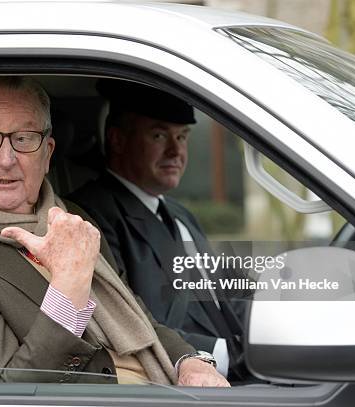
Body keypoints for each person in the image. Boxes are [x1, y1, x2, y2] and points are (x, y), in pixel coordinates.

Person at [0, 76, 229, 387]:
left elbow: (139, 317)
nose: (6, 158)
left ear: (47, 153)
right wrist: (69, 288)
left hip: (162, 387)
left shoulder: (73, 218)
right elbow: (5, 395)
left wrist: (190, 360)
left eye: (24, 138)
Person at [69, 79, 247, 380]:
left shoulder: (180, 215)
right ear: (117, 140)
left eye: (182, 136)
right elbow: (127, 321)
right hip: (186, 379)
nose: (176, 150)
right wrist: (232, 355)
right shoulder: (88, 217)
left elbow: (222, 297)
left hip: (237, 367)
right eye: (159, 135)